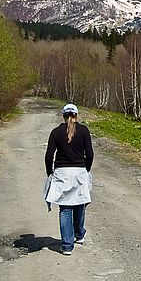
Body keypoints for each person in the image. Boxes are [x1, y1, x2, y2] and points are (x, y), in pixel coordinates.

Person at [43, 103, 94, 256]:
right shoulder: (84, 131)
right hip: (79, 171)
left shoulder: (56, 132)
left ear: (63, 116)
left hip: (62, 173)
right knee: (80, 204)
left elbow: (48, 156)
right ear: (76, 115)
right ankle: (79, 234)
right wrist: (86, 169)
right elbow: (90, 154)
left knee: (65, 208)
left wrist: (50, 172)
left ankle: (66, 245)